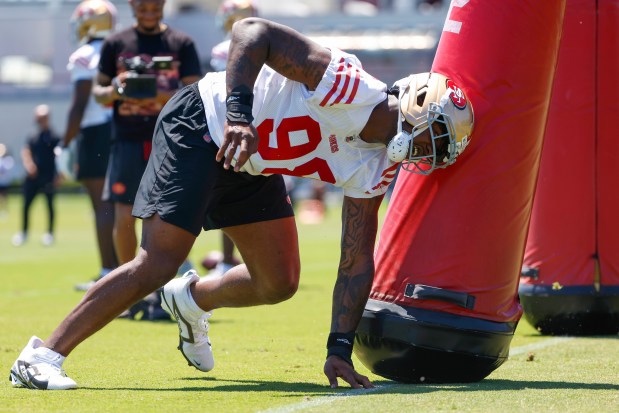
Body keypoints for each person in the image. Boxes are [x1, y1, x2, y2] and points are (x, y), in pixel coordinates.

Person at [9, 17, 474, 390]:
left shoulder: (377, 167)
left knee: (278, 281)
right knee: (159, 260)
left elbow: (355, 260)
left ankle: (190, 301)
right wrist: (237, 115)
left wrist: (339, 347)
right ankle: (41, 356)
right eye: (434, 137)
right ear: (414, 104)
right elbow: (252, 31)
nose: (429, 154)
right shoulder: (346, 84)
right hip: (206, 123)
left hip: (251, 161)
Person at [91, 0, 203, 318]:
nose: (148, 9)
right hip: (126, 139)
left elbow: (194, 91)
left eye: (154, 3)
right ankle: (130, 292)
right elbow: (98, 92)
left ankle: (164, 292)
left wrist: (155, 94)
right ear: (132, 5)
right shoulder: (115, 43)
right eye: (141, 4)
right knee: (124, 217)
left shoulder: (181, 43)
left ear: (164, 4)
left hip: (170, 140)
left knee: (168, 218)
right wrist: (117, 89)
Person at [61, 0, 119, 290]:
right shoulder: (121, 48)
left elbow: (79, 104)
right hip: (124, 130)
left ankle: (109, 270)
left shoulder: (85, 55)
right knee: (123, 205)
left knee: (102, 207)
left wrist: (65, 142)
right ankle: (123, 270)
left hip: (96, 132)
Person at [12, 105, 61, 247]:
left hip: (48, 177)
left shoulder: (55, 137)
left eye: (43, 118)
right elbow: (26, 151)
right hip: (32, 178)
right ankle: (24, 232)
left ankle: (49, 233)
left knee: (50, 205)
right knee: (26, 206)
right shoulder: (32, 136)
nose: (41, 121)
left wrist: (59, 176)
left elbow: (61, 157)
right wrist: (29, 165)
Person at [0, 143, 16, 219]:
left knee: (4, 198)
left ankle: (5, 211)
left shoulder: (8, 160)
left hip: (4, 182)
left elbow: (5, 170)